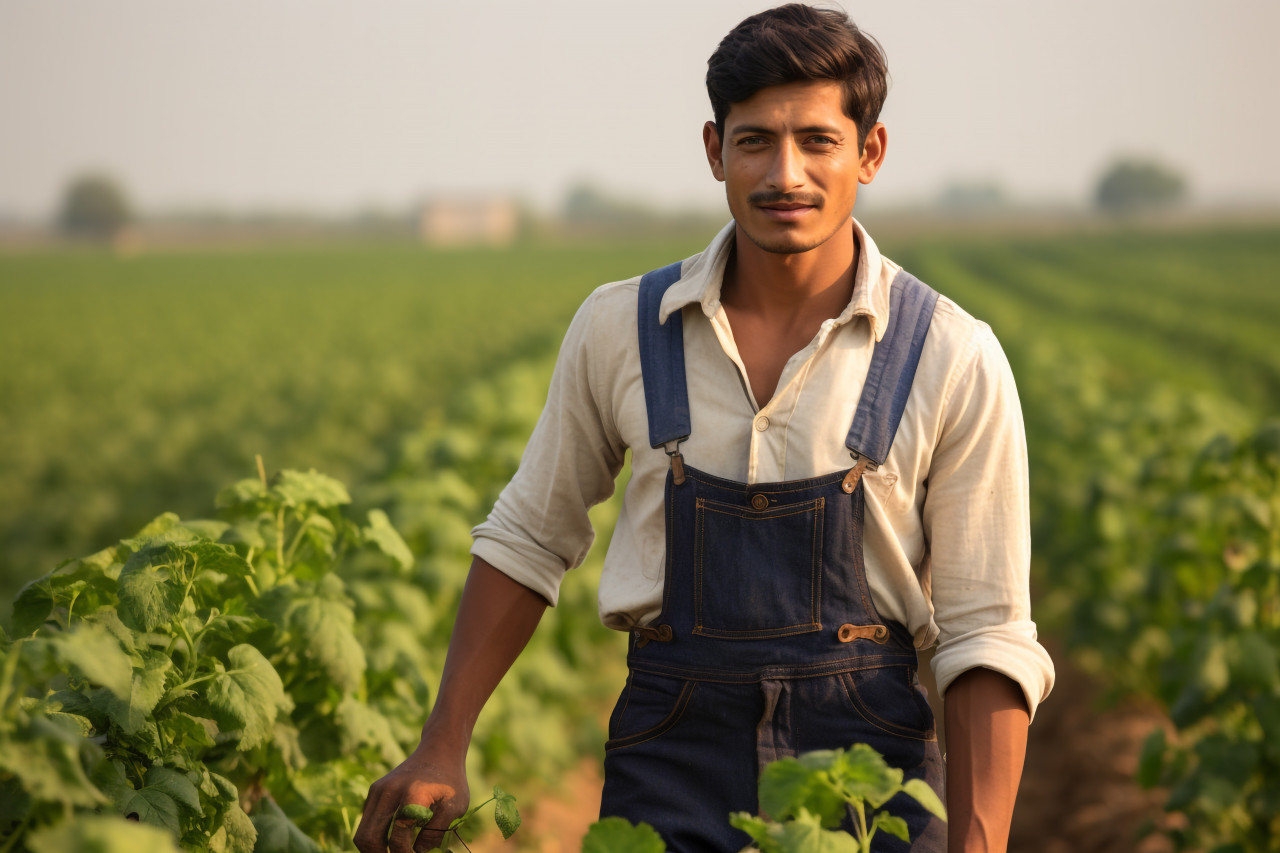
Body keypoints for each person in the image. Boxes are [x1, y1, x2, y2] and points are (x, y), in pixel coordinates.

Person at [354, 4, 1054, 852]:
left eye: (818, 141)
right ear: (715, 150)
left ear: (869, 152)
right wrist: (443, 740)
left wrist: (977, 843)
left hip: (868, 775)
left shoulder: (950, 354)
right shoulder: (622, 327)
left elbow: (984, 631)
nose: (783, 173)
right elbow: (530, 537)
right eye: (754, 140)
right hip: (670, 758)